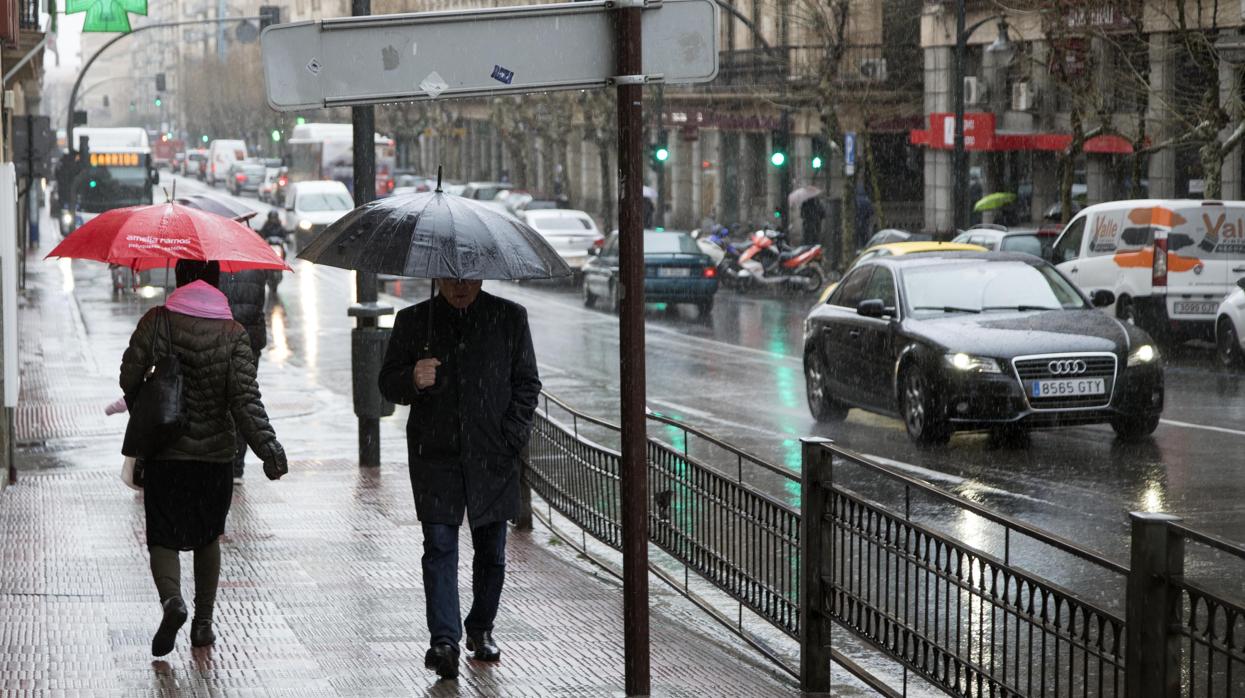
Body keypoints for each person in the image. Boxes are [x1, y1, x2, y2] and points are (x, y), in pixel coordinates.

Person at [119, 260, 288, 657]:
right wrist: (269, 449)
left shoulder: (156, 322)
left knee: (163, 535)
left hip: (165, 455)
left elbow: (128, 377)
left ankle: (172, 601)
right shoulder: (233, 334)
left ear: (179, 279)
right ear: (217, 281)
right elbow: (246, 400)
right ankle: (203, 624)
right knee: (207, 536)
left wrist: (147, 400)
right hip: (214, 458)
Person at [378, 278, 541, 681]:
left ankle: (481, 627)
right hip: (435, 456)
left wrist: (511, 435)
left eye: (469, 277)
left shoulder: (508, 317)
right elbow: (387, 382)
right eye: (452, 278)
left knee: (491, 550)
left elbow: (527, 383)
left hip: (492, 455)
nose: (461, 286)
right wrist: (413, 378)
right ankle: (444, 641)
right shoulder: (416, 320)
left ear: (482, 276)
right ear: (438, 277)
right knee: (438, 546)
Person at [219, 236, 271, 484]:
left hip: (223, 341)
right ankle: (237, 466)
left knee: (223, 402)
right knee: (244, 400)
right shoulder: (258, 264)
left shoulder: (216, 265)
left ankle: (224, 459)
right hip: (250, 343)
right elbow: (259, 303)